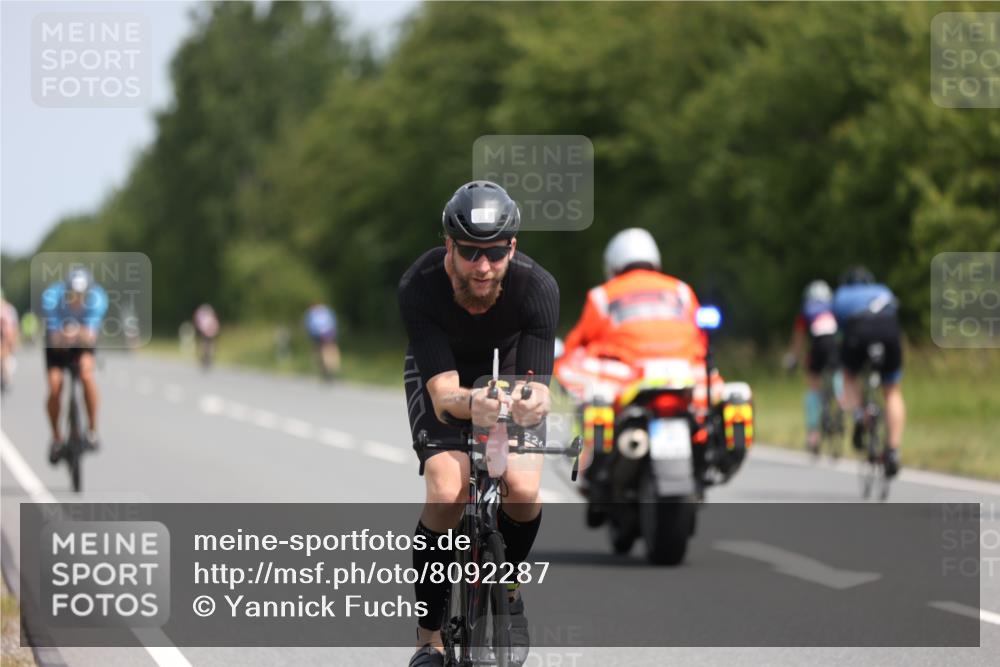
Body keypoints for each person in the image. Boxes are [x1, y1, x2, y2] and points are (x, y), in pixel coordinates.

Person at [398, 180, 558, 667]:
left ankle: (507, 586)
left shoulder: (538, 287)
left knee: (523, 490)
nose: (483, 267)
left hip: (506, 365)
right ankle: (430, 638)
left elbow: (540, 389)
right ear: (448, 244)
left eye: (494, 252)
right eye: (469, 252)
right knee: (448, 490)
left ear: (513, 246)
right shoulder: (419, 284)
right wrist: (475, 403)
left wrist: (530, 405)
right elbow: (446, 395)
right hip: (443, 373)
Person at [832, 266, 905, 477]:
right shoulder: (883, 289)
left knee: (848, 376)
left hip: (858, 331)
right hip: (888, 330)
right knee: (892, 391)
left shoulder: (841, 295)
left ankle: (859, 415)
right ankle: (892, 450)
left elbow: (838, 332)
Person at [41, 267, 108, 462]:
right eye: (72, 294)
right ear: (65, 290)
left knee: (86, 375)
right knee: (55, 386)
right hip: (57, 346)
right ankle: (56, 437)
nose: (77, 299)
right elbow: (54, 336)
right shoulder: (52, 297)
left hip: (82, 345)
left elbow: (89, 335)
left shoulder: (98, 298)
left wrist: (75, 332)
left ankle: (92, 431)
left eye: (82, 295)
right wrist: (68, 334)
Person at [783, 280, 841, 454]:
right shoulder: (835, 308)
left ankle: (813, 434)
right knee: (839, 379)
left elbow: (799, 339)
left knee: (813, 387)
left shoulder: (806, 310)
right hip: (835, 348)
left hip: (817, 348)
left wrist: (793, 359)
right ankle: (840, 409)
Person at [303, 302, 340, 380]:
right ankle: (330, 369)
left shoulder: (312, 313)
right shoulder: (327, 311)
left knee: (323, 352)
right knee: (328, 351)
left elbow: (309, 326)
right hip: (328, 334)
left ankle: (328, 370)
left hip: (320, 335)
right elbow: (333, 323)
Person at [1, 291, 20, 391]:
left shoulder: (8, 309)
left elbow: (13, 326)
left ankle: (6, 376)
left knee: (6, 354)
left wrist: (14, 340)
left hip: (6, 334)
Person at [193, 303, 220, 369]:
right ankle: (208, 357)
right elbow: (216, 326)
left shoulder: (205, 318)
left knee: (205, 345)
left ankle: (205, 357)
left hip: (206, 333)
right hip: (211, 334)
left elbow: (201, 326)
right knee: (210, 345)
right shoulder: (212, 318)